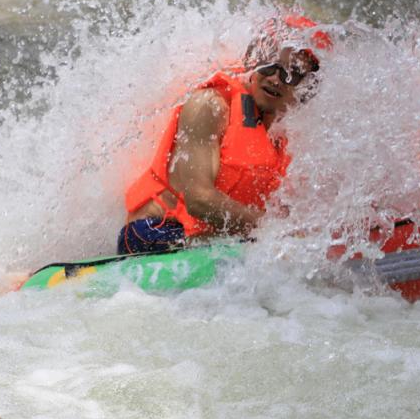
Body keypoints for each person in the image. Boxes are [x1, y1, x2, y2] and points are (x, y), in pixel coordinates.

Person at [118, 14, 331, 255]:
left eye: (292, 73)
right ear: (254, 59)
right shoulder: (209, 106)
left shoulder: (284, 135)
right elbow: (199, 200)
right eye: (269, 62)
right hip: (153, 233)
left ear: (307, 89)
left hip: (212, 241)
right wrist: (276, 231)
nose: (275, 78)